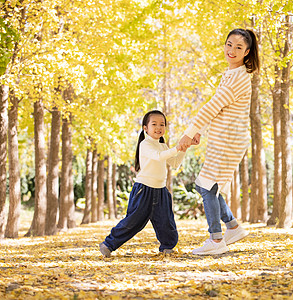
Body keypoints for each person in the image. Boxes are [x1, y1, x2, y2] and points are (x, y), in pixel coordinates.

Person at [178, 28, 260, 255]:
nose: (232, 50)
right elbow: (220, 110)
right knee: (207, 185)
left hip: (228, 140)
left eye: (239, 47)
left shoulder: (239, 78)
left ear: (247, 52)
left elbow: (212, 107)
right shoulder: (232, 74)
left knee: (206, 185)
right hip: (224, 138)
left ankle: (216, 241)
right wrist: (200, 132)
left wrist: (190, 131)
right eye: (229, 44)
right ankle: (232, 227)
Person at [99, 110, 187, 257]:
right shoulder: (145, 144)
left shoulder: (163, 146)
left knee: (166, 221)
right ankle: (108, 244)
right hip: (144, 190)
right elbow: (158, 157)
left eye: (162, 124)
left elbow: (175, 163)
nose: (158, 127)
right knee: (133, 222)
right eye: (154, 124)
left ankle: (167, 247)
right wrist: (177, 148)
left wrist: (183, 149)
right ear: (145, 128)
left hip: (160, 191)